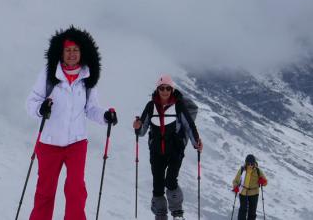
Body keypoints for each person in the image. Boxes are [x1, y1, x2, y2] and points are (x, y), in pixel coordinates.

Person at [25, 26, 118, 220]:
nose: (72, 54)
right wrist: (40, 108)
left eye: (75, 50)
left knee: (76, 192)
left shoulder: (87, 77)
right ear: (61, 52)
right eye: (68, 50)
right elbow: (31, 102)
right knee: (45, 192)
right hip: (49, 142)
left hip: (76, 143)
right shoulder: (49, 74)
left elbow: (91, 108)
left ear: (82, 52)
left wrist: (105, 116)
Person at [132, 74, 202, 220]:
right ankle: (160, 214)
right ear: (157, 89)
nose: (165, 91)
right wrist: (137, 127)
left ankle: (177, 212)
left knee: (170, 180)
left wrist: (196, 142)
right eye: (162, 88)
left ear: (172, 89)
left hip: (175, 150)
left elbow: (189, 125)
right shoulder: (151, 106)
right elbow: (142, 130)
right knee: (157, 186)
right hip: (156, 152)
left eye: (168, 88)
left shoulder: (178, 105)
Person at [231, 154, 268, 220]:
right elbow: (235, 181)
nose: (250, 165)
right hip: (243, 192)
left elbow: (265, 183)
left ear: (254, 163)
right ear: (246, 163)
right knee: (243, 210)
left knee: (252, 212)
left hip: (254, 193)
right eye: (249, 164)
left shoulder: (258, 171)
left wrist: (262, 181)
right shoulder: (242, 170)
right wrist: (235, 186)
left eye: (252, 164)